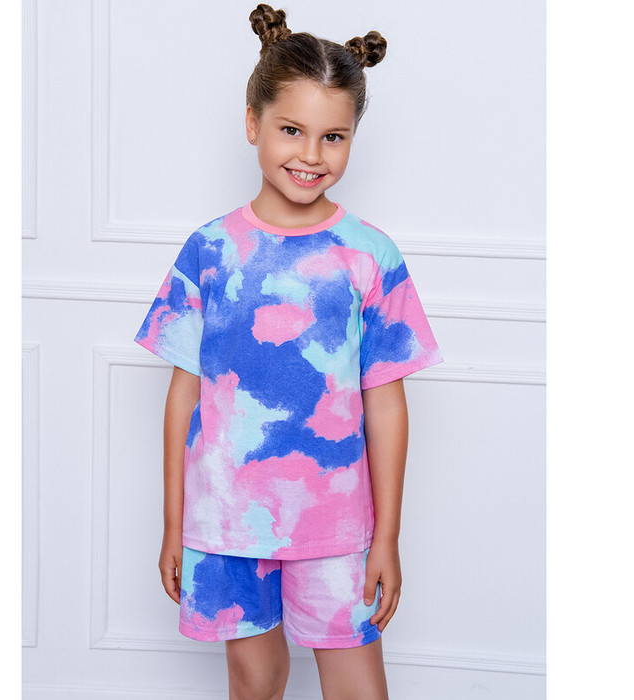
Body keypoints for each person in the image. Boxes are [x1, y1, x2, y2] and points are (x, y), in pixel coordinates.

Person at [134, 4, 443, 698]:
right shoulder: (209, 250)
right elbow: (184, 396)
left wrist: (387, 537)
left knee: (357, 685)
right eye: (291, 130)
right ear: (253, 123)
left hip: (335, 525)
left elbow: (386, 405)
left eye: (333, 136)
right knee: (254, 679)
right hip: (224, 520)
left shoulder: (371, 256)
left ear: (353, 137)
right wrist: (175, 524)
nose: (311, 154)